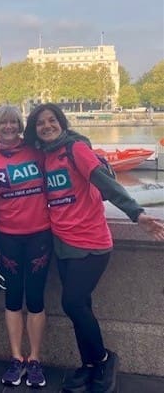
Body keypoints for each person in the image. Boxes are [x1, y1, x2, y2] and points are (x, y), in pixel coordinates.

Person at [23, 103, 164, 393]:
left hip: (91, 243)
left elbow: (107, 184)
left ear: (61, 123)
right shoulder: (44, 157)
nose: (47, 126)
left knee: (72, 303)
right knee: (81, 307)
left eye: (52, 120)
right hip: (62, 244)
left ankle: (103, 359)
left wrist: (136, 214)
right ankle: (88, 366)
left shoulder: (76, 150)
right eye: (40, 123)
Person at [0, 105, 52, 387]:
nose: (8, 127)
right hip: (7, 237)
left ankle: (35, 359)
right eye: (3, 122)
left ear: (20, 125)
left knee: (35, 299)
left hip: (39, 235)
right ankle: (16, 358)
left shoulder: (37, 151)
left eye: (13, 122)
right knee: (12, 299)